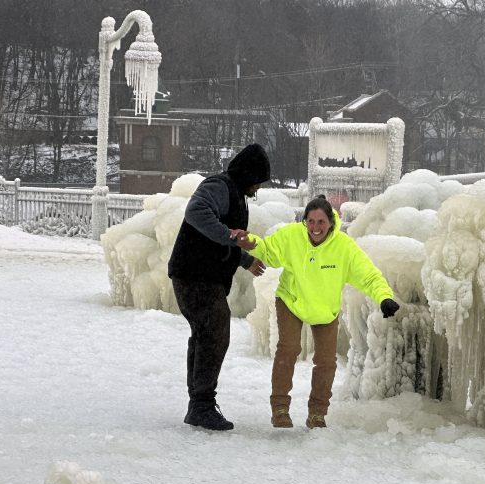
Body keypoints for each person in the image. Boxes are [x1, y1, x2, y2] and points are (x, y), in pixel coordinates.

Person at [236, 195, 400, 429]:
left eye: (321, 222)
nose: (315, 227)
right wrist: (249, 241)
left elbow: (368, 275)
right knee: (289, 349)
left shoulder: (344, 247)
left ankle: (317, 414)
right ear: (305, 221)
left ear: (331, 223)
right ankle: (280, 408)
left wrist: (384, 297)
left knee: (326, 361)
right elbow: (268, 250)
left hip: (325, 309)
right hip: (291, 300)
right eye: (311, 221)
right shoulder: (292, 236)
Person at [167, 144, 270, 431]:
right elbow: (197, 212)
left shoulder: (235, 192)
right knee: (214, 332)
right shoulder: (219, 186)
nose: (259, 187)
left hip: (199, 274)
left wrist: (244, 258)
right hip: (193, 274)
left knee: (205, 334)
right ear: (249, 174)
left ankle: (199, 404)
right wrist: (230, 237)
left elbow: (223, 239)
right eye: (259, 179)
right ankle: (201, 404)